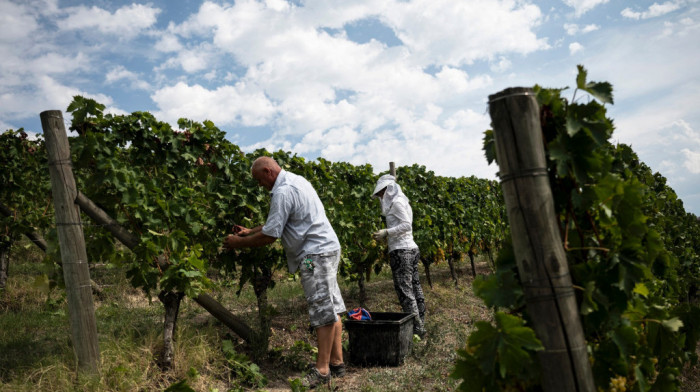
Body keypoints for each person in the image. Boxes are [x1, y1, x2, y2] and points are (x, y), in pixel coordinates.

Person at [223, 156, 345, 389]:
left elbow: (271, 235)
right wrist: (250, 230)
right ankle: (337, 364)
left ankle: (322, 370)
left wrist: (238, 244)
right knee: (331, 306)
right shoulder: (297, 181)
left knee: (321, 309)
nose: (261, 185)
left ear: (268, 172)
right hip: (327, 249)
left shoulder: (282, 191)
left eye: (260, 180)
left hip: (314, 256)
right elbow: (278, 222)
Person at [372, 174, 426, 337]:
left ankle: (417, 330)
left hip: (403, 251)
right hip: (410, 249)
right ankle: (420, 326)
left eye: (382, 193)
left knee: (405, 291)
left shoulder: (396, 203)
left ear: (389, 190)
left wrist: (386, 232)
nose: (381, 197)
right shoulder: (402, 201)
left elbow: (406, 225)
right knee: (414, 288)